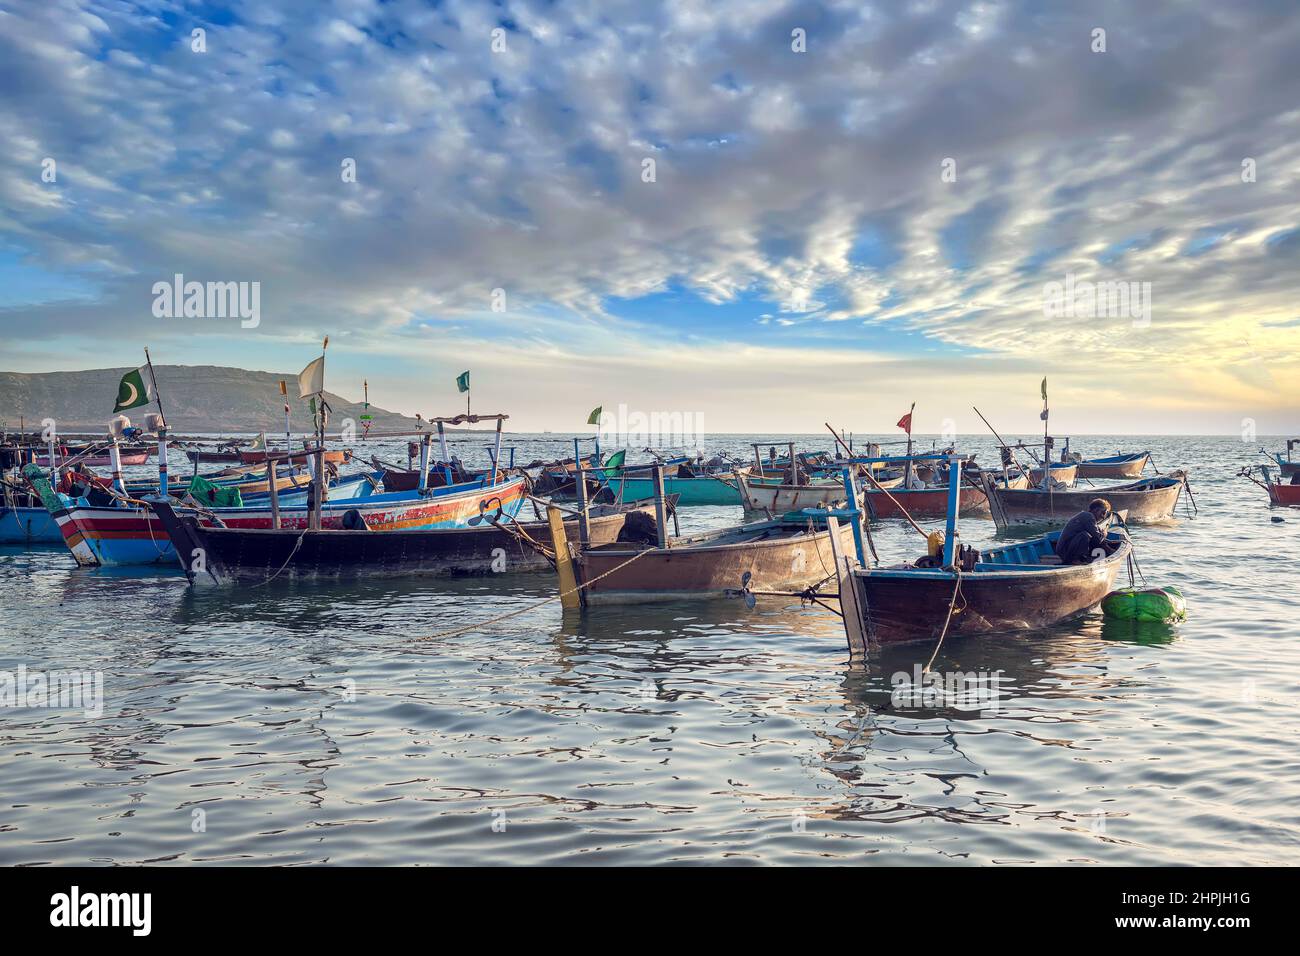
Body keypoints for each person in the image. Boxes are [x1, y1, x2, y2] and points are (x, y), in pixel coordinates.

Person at [1055, 498, 1119, 564]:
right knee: (1085, 535)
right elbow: (1098, 538)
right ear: (1096, 510)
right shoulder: (1088, 516)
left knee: (1090, 536)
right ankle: (1075, 560)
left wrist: (1110, 550)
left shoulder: (1090, 519)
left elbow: (1099, 538)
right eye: (1103, 513)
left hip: (1066, 552)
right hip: (1065, 553)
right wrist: (1104, 534)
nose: (1103, 517)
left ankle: (1082, 558)